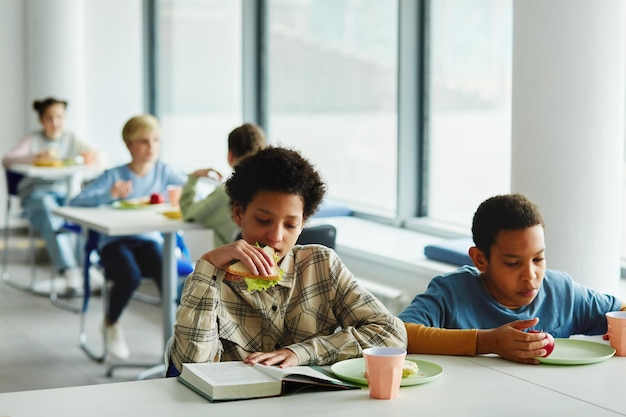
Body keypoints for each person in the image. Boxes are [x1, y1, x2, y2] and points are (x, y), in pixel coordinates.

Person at [167, 146, 407, 376]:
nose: (276, 237)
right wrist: (207, 266)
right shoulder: (210, 278)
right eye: (263, 220)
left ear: (303, 223)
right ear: (239, 213)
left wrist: (302, 353)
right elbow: (190, 366)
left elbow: (391, 333)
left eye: (291, 225)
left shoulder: (322, 265)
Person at [398, 193, 626, 365]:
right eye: (512, 263)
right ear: (480, 259)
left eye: (538, 259)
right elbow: (398, 333)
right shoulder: (451, 293)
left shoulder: (561, 291)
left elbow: (620, 310)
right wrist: (488, 342)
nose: (530, 275)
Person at [70, 114, 187, 360]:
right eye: (144, 141)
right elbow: (76, 201)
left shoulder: (164, 172)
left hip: (149, 241)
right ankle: (111, 323)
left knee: (166, 274)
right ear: (129, 145)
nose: (152, 147)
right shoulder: (114, 175)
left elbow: (190, 190)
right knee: (129, 276)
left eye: (155, 140)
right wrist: (108, 195)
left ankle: (182, 339)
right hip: (115, 242)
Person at [2, 97, 99, 294]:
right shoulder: (32, 139)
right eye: (49, 118)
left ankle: (87, 266)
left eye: (59, 117)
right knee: (49, 210)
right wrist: (35, 157)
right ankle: (69, 269)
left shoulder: (71, 139)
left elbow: (95, 154)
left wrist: (90, 156)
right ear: (41, 120)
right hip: (36, 193)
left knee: (83, 211)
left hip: (64, 192)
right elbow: (7, 160)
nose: (54, 122)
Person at [180, 123, 267, 248]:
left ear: (230, 156)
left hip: (231, 265)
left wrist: (193, 179)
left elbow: (189, 214)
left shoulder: (226, 193)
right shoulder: (275, 192)